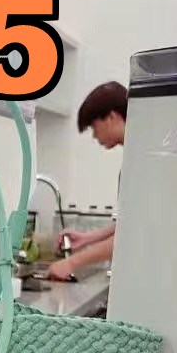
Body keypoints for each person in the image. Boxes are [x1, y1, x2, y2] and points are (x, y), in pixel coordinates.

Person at [48, 81, 127, 281]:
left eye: (94, 127)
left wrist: (71, 263)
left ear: (111, 117)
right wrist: (87, 238)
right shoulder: (137, 156)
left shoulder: (142, 161)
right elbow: (131, 222)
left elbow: (132, 234)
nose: (94, 136)